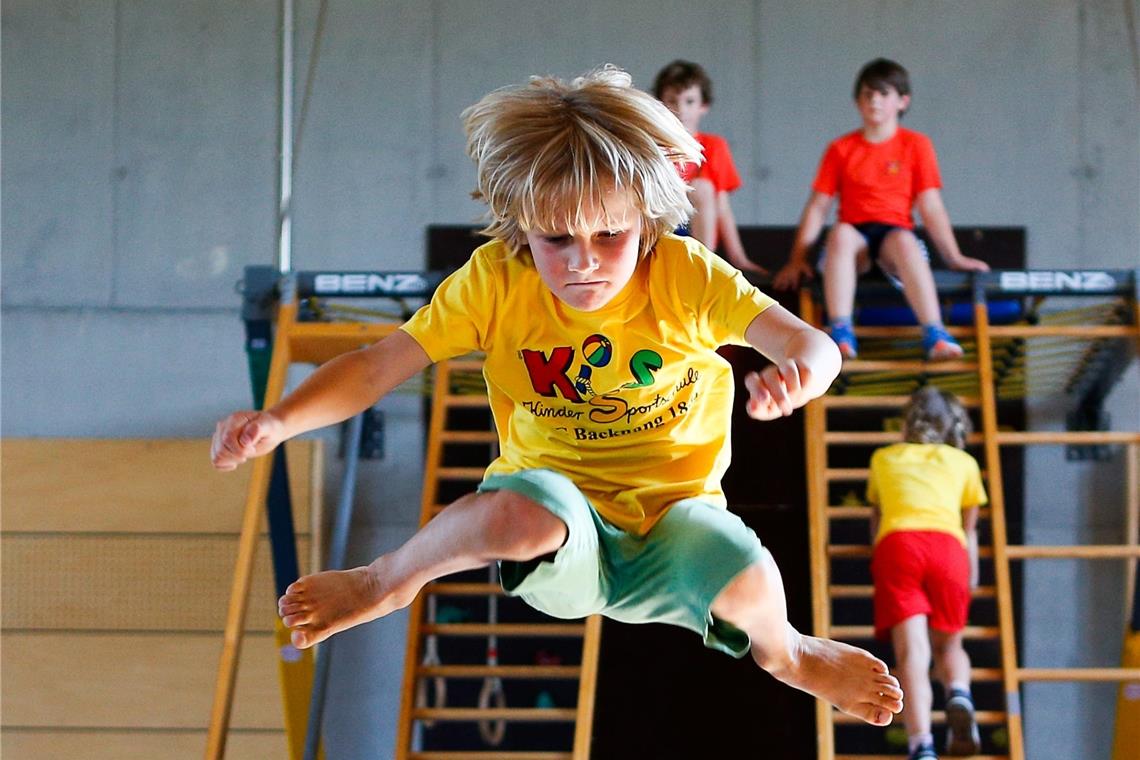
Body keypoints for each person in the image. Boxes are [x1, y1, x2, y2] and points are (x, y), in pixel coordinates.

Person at [211, 66, 903, 728]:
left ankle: (790, 654)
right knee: (523, 517)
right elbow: (375, 365)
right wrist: (279, 420)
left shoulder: (684, 275)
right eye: (556, 239)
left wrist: (799, 376)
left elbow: (812, 345)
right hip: (555, 516)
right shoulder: (495, 283)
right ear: (521, 228)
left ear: (649, 220)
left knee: (749, 578)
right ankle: (384, 580)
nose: (583, 262)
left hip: (674, 518)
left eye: (610, 235)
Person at [772, 58, 989, 361]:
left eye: (883, 94)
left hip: (894, 235)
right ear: (857, 101)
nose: (874, 100)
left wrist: (953, 257)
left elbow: (930, 205)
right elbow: (818, 207)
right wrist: (797, 259)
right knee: (841, 235)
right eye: (867, 94)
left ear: (903, 101)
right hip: (854, 238)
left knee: (905, 242)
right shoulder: (841, 148)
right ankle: (841, 331)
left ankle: (935, 332)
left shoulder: (917, 145)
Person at [867, 387, 986, 758]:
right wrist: (972, 570)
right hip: (948, 549)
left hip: (898, 545)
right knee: (949, 645)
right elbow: (968, 529)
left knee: (912, 654)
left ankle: (922, 747)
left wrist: (880, 557)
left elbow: (877, 516)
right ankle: (959, 694)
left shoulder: (884, 458)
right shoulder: (963, 463)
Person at [652, 59, 766, 275]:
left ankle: (705, 264)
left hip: (696, 229)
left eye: (689, 101)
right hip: (659, 225)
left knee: (702, 187)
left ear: (703, 105)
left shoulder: (714, 146)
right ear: (659, 104)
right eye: (672, 101)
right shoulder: (650, 144)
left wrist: (738, 259)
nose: (680, 109)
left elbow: (722, 207)